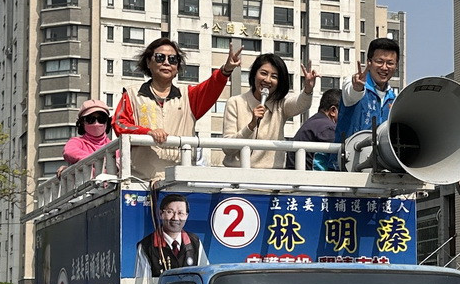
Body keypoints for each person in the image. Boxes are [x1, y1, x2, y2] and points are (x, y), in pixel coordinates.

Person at [112, 38, 243, 180]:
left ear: (177, 67)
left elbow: (212, 85)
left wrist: (227, 69)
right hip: (140, 180)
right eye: (160, 57)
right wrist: (147, 132)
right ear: (149, 62)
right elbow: (120, 124)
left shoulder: (189, 95)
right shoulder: (131, 95)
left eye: (173, 59)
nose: (166, 63)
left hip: (180, 179)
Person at [222, 55, 316, 168]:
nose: (267, 80)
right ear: (254, 74)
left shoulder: (281, 105)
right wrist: (250, 126)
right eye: (263, 73)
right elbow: (227, 148)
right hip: (237, 178)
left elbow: (301, 105)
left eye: (274, 76)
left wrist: (308, 89)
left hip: (271, 178)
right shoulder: (235, 102)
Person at [334, 37, 401, 146]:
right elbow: (352, 94)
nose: (384, 67)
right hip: (347, 159)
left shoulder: (394, 99)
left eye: (390, 63)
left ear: (396, 66)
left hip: (378, 161)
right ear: (369, 62)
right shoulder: (352, 82)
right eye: (379, 62)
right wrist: (357, 88)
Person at [136, 193, 209, 276]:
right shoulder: (146, 246)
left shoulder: (195, 242)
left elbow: (205, 275)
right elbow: (141, 283)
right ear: (160, 214)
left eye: (180, 213)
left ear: (186, 216)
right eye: (170, 212)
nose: (175, 218)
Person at [284, 87, 342, 170]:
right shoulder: (327, 128)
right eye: (344, 112)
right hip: (307, 179)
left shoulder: (316, 122)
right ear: (333, 111)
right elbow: (344, 153)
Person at [62, 99, 115, 165]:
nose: (96, 123)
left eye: (101, 119)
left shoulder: (114, 145)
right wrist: (95, 160)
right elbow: (69, 152)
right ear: (82, 123)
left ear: (108, 122)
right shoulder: (77, 141)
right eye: (90, 119)